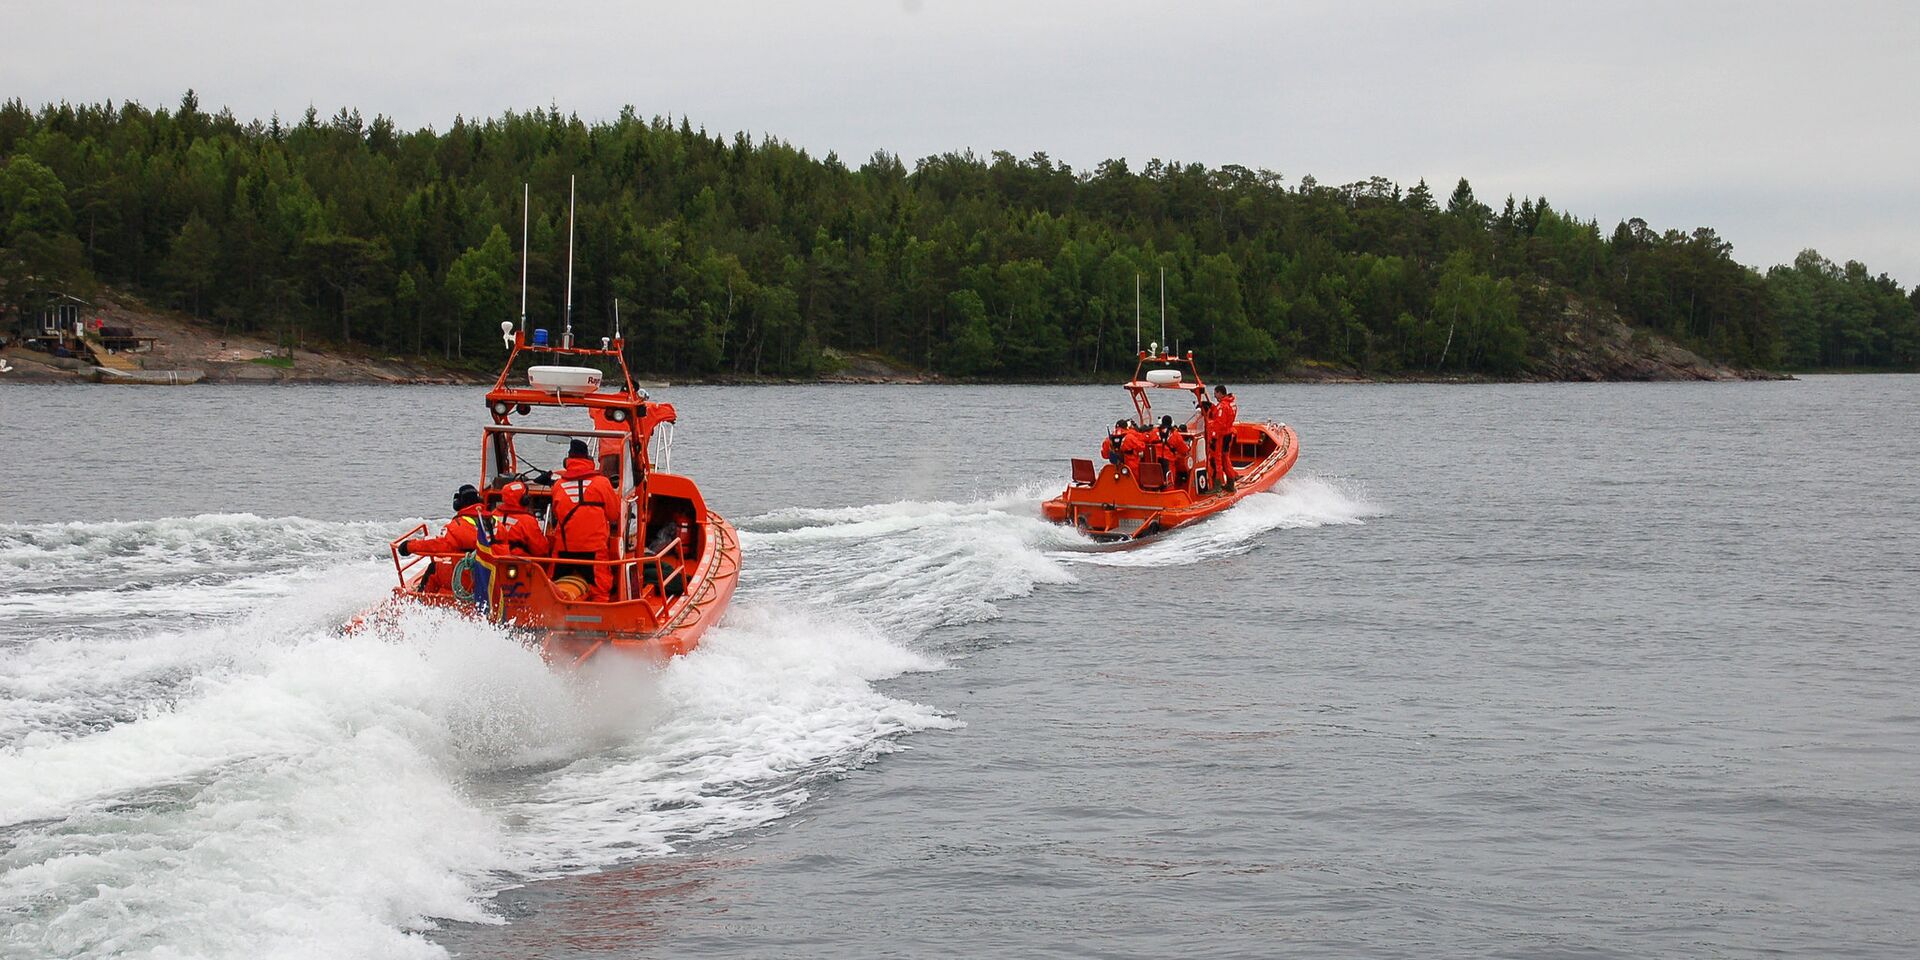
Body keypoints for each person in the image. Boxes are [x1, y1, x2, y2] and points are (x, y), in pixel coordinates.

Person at [549, 438, 618, 601]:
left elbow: (556, 515)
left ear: (568, 461)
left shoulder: (558, 485)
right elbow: (614, 514)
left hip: (563, 552)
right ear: (589, 460)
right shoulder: (602, 483)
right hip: (594, 553)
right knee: (601, 589)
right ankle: (601, 619)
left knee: (552, 588)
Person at [399, 484, 486, 593]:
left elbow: (440, 546)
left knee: (433, 569)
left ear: (458, 503)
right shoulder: (495, 521)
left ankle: (419, 603)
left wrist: (409, 546)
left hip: (468, 579)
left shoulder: (458, 525)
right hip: (492, 578)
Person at [490, 480, 549, 557]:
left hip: (494, 560)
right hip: (520, 563)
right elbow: (541, 551)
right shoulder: (527, 521)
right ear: (524, 500)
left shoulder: (493, 514)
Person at [1208, 384, 1238, 492]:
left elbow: (1219, 423)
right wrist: (1212, 407)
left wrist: (1213, 437)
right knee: (1225, 458)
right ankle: (1230, 483)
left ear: (1220, 393)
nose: (1215, 396)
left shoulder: (1222, 406)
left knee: (1217, 459)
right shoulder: (1232, 403)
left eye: (1215, 394)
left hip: (1220, 436)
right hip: (1228, 434)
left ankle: (1217, 485)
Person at [1156, 415, 1191, 489]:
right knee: (1169, 481)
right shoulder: (1175, 435)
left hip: (1155, 461)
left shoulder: (1154, 432)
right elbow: (1184, 450)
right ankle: (1170, 494)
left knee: (1157, 480)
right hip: (1168, 462)